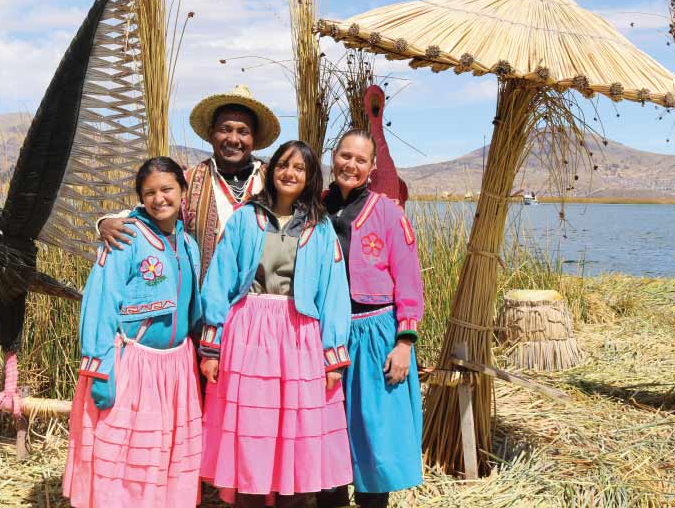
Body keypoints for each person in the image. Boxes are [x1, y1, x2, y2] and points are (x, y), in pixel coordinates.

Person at [199, 140, 354, 507]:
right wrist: (212, 346)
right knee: (252, 430)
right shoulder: (244, 218)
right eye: (284, 165)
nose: (290, 173)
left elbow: (334, 293)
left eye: (299, 168)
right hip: (248, 334)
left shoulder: (320, 229)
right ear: (271, 170)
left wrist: (333, 354)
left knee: (297, 430)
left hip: (299, 336)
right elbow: (218, 282)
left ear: (310, 177)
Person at [63, 157, 203, 508]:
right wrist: (100, 370)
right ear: (140, 197)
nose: (159, 198)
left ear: (182, 191)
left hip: (175, 367)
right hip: (133, 366)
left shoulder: (188, 244)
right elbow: (100, 303)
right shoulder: (125, 237)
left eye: (167, 189)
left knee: (161, 451)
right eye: (149, 192)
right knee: (128, 455)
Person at [316, 129, 425, 508]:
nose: (351, 165)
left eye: (361, 160)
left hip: (375, 332)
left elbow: (409, 280)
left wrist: (404, 342)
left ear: (372, 166)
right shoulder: (314, 208)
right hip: (323, 333)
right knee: (327, 436)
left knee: (374, 439)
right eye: (346, 156)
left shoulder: (388, 213)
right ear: (334, 157)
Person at [98, 84, 280, 283]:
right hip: (204, 303)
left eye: (243, 131)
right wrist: (106, 222)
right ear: (211, 133)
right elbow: (152, 210)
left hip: (258, 304)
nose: (233, 139)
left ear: (253, 137)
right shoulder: (189, 180)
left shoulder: (272, 180)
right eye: (225, 129)